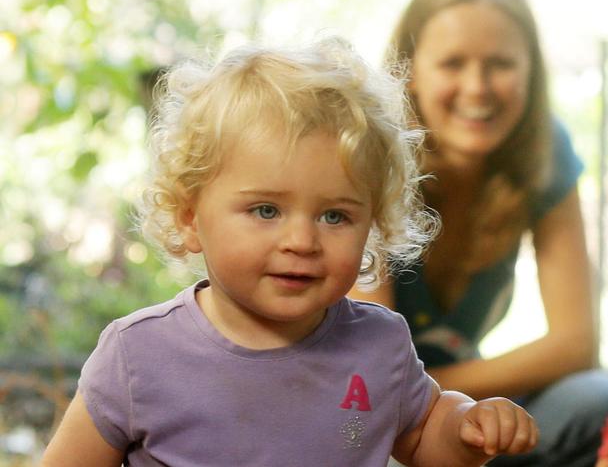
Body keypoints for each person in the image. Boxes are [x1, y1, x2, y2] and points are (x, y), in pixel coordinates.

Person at [40, 37, 539, 467]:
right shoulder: (138, 356)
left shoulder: (378, 345)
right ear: (191, 217)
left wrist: (467, 427)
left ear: (373, 224)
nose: (301, 242)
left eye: (335, 216)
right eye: (265, 211)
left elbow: (426, 435)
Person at [348, 0, 608, 466]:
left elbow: (576, 345)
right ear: (410, 71)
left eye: (500, 64)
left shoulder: (545, 152)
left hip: (456, 410)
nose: (478, 87)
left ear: (531, 72)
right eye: (452, 63)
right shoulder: (369, 157)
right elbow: (375, 375)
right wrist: (439, 405)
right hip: (369, 419)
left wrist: (462, 410)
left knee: (603, 405)